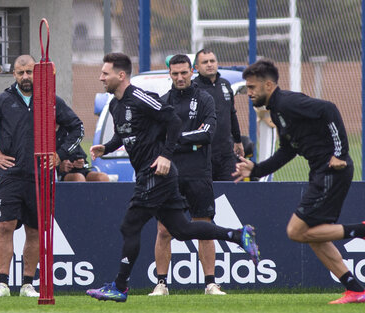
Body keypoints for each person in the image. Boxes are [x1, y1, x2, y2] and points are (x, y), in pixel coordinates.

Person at [86, 52, 259, 303]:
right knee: (182, 229)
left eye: (105, 73)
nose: (101, 78)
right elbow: (125, 134)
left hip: (157, 173)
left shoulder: (141, 97)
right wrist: (107, 148)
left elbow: (173, 121)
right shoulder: (115, 104)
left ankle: (120, 287)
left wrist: (166, 155)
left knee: (130, 225)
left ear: (120, 75)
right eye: (174, 73)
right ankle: (238, 235)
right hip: (154, 173)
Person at [233, 59, 365, 304]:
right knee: (313, 235)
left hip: (332, 170)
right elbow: (287, 151)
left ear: (268, 85)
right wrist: (256, 169)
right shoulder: (277, 111)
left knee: (296, 231)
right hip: (320, 172)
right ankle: (356, 291)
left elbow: (329, 109)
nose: (248, 93)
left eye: (252, 88)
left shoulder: (288, 102)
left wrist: (340, 153)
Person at [0, 55, 84, 297]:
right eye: (20, 73)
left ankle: (28, 284)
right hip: (11, 174)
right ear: (14, 75)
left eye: (29, 72)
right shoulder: (3, 100)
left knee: (34, 230)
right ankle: (2, 284)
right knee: (5, 226)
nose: (25, 77)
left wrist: (60, 154)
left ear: (37, 73)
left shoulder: (51, 101)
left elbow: (78, 127)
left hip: (41, 176)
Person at [149, 54, 224, 296]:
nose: (180, 77)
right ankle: (161, 284)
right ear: (169, 74)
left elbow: (208, 134)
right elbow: (156, 139)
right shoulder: (162, 102)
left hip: (198, 173)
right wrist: (188, 141)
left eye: (184, 73)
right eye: (175, 73)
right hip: (169, 175)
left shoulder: (205, 99)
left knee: (205, 227)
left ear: (192, 71)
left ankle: (210, 283)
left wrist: (176, 139)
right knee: (163, 229)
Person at [193, 49, 243, 181]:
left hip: (226, 154)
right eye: (205, 62)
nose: (209, 64)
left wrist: (238, 140)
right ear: (197, 67)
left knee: (231, 193)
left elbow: (232, 113)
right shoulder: (194, 88)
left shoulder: (225, 84)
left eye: (212, 61)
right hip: (203, 155)